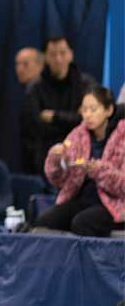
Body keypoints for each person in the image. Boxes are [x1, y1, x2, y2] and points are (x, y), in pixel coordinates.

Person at [35, 86, 124, 237]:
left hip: (113, 204)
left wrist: (99, 171)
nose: (87, 115)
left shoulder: (122, 137)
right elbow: (57, 181)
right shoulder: (77, 135)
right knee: (45, 222)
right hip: (80, 199)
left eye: (93, 109)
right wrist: (56, 161)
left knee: (82, 223)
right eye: (84, 110)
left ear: (108, 110)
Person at [21, 37, 96, 174]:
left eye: (62, 53)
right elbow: (37, 127)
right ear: (45, 58)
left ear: (71, 54)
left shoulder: (86, 84)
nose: (58, 59)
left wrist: (55, 116)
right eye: (53, 54)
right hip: (46, 157)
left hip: (81, 155)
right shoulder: (35, 88)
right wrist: (74, 118)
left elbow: (90, 120)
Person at [15, 47, 44, 174]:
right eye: (17, 64)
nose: (20, 69)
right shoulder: (29, 90)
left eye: (25, 64)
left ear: (40, 66)